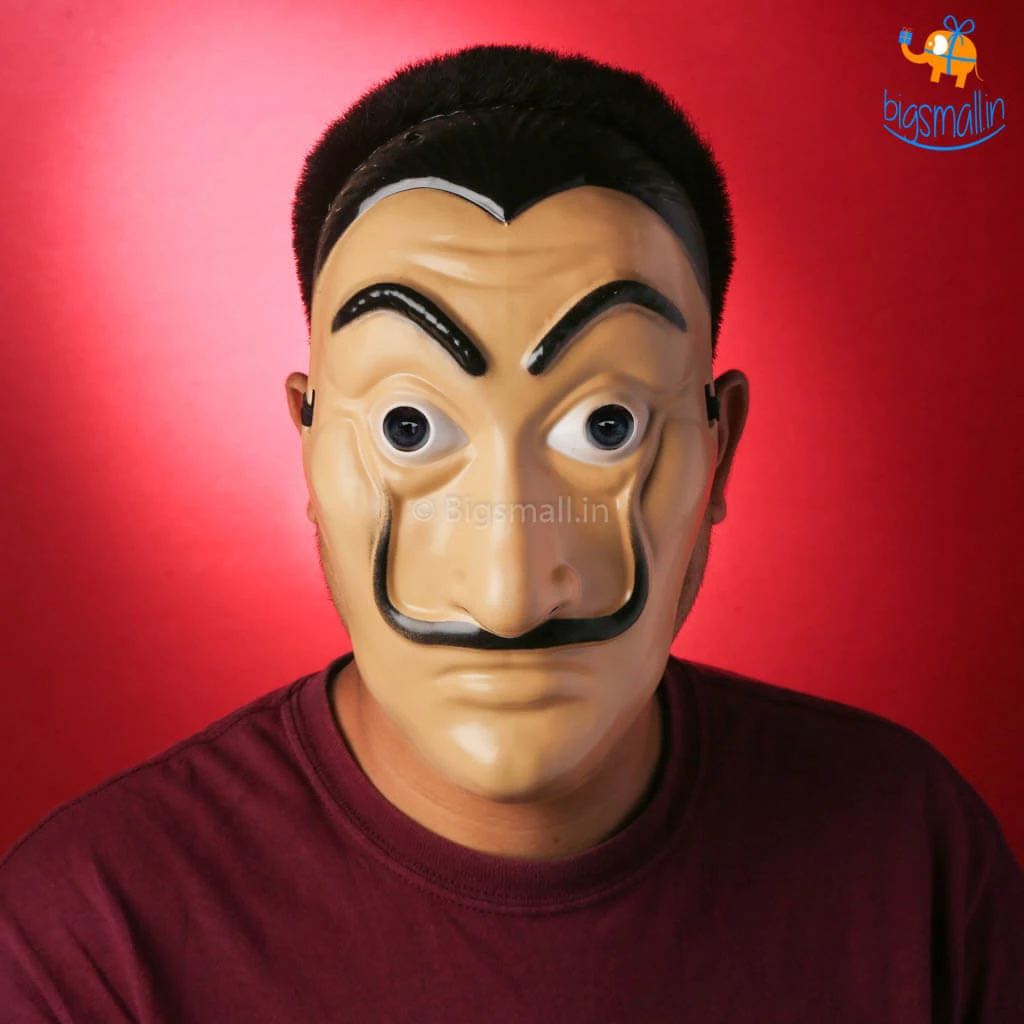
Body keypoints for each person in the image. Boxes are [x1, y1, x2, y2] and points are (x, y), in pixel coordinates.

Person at [2, 43, 1022, 1023]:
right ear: (308, 445)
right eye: (410, 428)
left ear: (719, 451)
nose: (508, 594)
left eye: (606, 427)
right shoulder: (89, 942)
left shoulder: (913, 858)